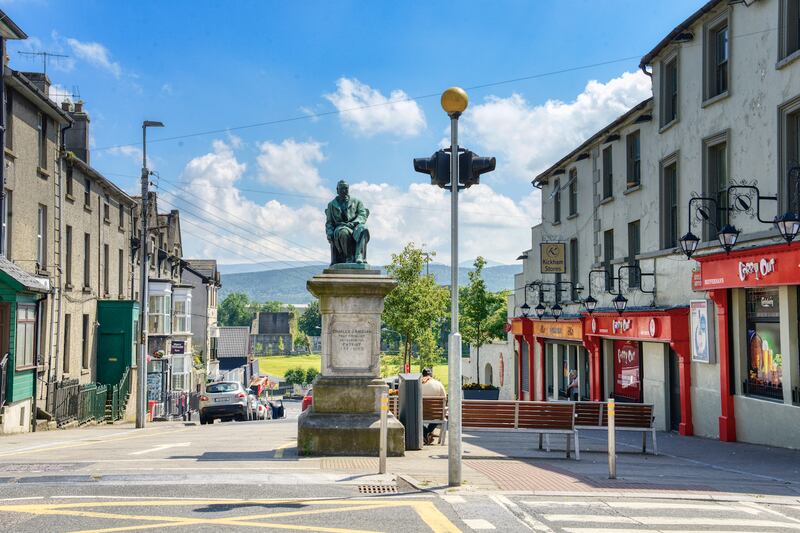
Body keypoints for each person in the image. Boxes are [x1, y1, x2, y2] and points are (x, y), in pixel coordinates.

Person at [420, 368, 446, 445]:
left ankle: (425, 432)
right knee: (440, 414)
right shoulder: (438, 384)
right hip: (435, 414)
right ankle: (428, 432)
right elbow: (444, 398)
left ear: (422, 375)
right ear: (431, 375)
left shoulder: (418, 384)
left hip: (420, 414)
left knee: (413, 417)